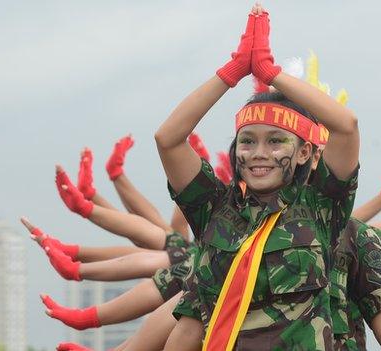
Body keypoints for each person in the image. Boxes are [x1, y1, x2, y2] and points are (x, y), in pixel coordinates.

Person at [155, 4, 362, 349]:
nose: (258, 153)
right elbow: (168, 139)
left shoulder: (321, 206)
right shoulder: (214, 209)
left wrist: (271, 71)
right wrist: (232, 71)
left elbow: (347, 126)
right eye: (247, 142)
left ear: (304, 153)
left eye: (275, 140)